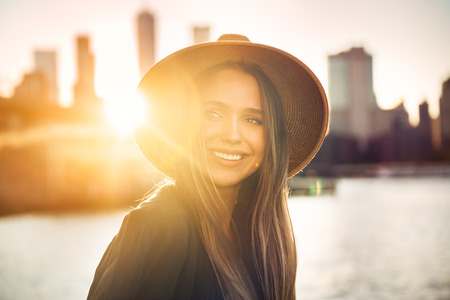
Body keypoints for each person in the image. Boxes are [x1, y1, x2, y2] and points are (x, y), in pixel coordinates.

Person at [87, 34, 328, 300]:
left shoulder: (268, 239)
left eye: (252, 119)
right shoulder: (154, 229)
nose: (232, 135)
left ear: (272, 137)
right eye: (214, 114)